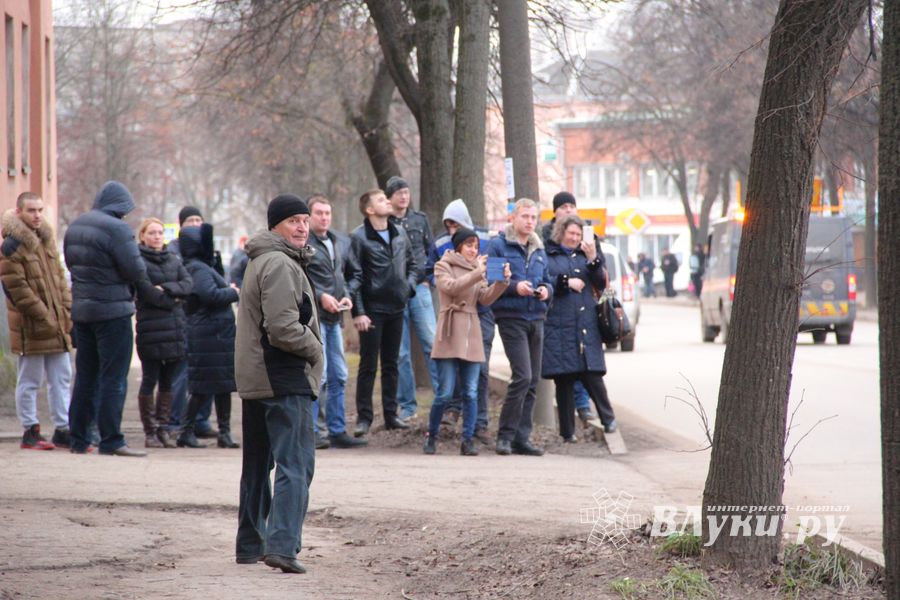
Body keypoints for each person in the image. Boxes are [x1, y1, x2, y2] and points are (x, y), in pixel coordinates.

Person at [235, 194, 323, 574]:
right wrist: (316, 348)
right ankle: (283, 547)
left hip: (259, 377)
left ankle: (250, 545)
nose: (302, 227)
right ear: (275, 226)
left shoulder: (261, 259)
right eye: (293, 221)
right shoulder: (280, 263)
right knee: (296, 464)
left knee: (257, 466)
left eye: (305, 220)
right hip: (283, 377)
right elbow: (283, 328)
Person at [64, 181, 149, 456]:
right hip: (113, 313)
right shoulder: (118, 229)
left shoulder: (75, 226)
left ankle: (79, 439)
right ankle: (111, 439)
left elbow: (71, 265)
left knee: (85, 376)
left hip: (82, 311)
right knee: (114, 378)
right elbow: (135, 270)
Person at [426, 228, 509, 456]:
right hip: (449, 330)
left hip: (472, 333)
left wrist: (502, 282)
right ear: (459, 246)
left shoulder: (477, 269)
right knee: (445, 392)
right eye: (469, 245)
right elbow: (450, 287)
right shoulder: (443, 265)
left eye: (476, 246)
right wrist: (478, 272)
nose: (473, 250)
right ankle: (431, 435)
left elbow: (485, 299)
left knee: (471, 392)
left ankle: (468, 440)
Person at [0, 192, 73, 450]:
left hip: (57, 322)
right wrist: (44, 315)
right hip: (31, 325)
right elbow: (18, 289)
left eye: (40, 210)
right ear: (19, 212)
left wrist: (66, 308)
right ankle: (30, 430)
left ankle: (63, 428)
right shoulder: (11, 246)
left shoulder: (46, 240)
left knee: (61, 377)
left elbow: (60, 278)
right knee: (30, 379)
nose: (37, 215)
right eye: (31, 210)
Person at [345, 188, 418, 437]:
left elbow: (412, 264)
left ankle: (391, 415)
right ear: (369, 209)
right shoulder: (358, 237)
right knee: (368, 365)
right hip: (372, 310)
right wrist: (359, 312)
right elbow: (354, 276)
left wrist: (408, 288)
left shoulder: (399, 233)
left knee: (392, 364)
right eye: (381, 200)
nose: (387, 202)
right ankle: (364, 418)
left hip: (397, 307)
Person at [486, 198, 553, 457]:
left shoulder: (538, 248)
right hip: (511, 317)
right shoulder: (498, 244)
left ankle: (521, 438)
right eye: (525, 216)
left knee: (532, 380)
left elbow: (547, 280)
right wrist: (515, 287)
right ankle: (505, 436)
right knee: (522, 376)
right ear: (512, 218)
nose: (529, 221)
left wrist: (546, 290)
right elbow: (491, 279)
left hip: (536, 317)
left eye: (533, 217)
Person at [542, 215, 617, 441]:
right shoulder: (548, 254)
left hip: (586, 323)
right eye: (571, 233)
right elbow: (543, 279)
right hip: (559, 323)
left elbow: (602, 282)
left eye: (578, 234)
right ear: (561, 233)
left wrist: (593, 257)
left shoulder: (588, 254)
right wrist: (565, 282)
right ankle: (567, 433)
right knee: (564, 378)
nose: (575, 238)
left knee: (592, 373)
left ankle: (608, 419)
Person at [425, 199, 494, 441]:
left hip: (476, 319)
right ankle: (438, 427)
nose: (452, 230)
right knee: (446, 387)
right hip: (452, 320)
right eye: (449, 226)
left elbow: (486, 294)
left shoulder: (485, 240)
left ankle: (473, 432)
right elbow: (444, 282)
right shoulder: (442, 256)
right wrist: (475, 273)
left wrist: (502, 281)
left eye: (456, 225)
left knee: (476, 382)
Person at [304, 194, 366, 449]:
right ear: (309, 217)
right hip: (314, 319)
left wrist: (347, 296)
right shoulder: (303, 243)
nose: (324, 217)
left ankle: (337, 430)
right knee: (319, 377)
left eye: (327, 213)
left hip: (335, 318)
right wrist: (320, 296)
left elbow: (347, 274)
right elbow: (300, 278)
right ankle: (313, 431)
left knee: (339, 374)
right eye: (319, 213)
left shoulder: (339, 241)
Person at [539, 191, 600, 427]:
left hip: (583, 308)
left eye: (571, 206)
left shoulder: (586, 233)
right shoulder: (546, 235)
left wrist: (592, 254)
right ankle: (569, 422)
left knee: (584, 361)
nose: (568, 210)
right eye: (563, 206)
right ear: (555, 211)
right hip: (559, 309)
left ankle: (584, 407)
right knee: (565, 365)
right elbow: (544, 272)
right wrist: (564, 282)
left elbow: (599, 271)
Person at [177, 223, 240, 449]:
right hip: (209, 335)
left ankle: (224, 433)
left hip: (216, 335)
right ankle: (186, 432)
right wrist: (233, 292)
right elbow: (210, 295)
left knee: (222, 386)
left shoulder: (200, 266)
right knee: (202, 387)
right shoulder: (197, 268)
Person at [134, 218, 192, 449]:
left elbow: (188, 284)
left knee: (168, 381)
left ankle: (163, 428)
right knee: (150, 379)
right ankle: (150, 431)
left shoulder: (173, 259)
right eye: (152, 233)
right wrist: (174, 299)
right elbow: (147, 292)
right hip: (151, 330)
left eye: (160, 232)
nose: (157, 236)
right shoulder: (138, 261)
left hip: (174, 330)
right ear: (143, 236)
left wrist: (167, 289)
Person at [385, 176, 438, 421]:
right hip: (394, 293)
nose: (404, 197)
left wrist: (429, 279)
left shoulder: (420, 219)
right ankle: (407, 406)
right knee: (401, 353)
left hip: (420, 289)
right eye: (399, 193)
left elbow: (430, 250)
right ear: (389, 197)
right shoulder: (384, 223)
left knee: (432, 343)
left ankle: (443, 399)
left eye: (406, 192)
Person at [167, 206, 219, 439]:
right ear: (181, 225)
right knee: (184, 372)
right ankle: (176, 420)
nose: (196, 224)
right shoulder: (174, 252)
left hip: (207, 321)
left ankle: (200, 420)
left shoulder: (206, 251)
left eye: (199, 219)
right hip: (185, 318)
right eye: (191, 220)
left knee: (206, 371)